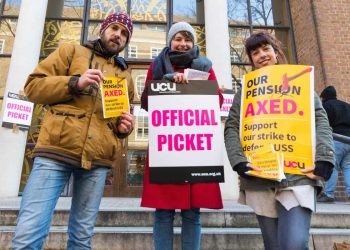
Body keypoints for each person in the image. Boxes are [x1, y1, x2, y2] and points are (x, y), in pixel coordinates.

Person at [12, 13, 135, 249]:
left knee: (81, 240)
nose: (118, 35)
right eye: (115, 29)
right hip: (54, 152)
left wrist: (124, 129)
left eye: (125, 34)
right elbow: (33, 87)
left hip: (97, 161)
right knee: (29, 236)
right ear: (103, 29)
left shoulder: (125, 75)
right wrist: (74, 83)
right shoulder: (71, 51)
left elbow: (120, 120)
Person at [224, 31, 335, 250]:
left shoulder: (301, 83)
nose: (261, 55)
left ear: (276, 52)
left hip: (298, 176)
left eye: (266, 49)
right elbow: (232, 127)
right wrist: (239, 161)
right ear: (251, 60)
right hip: (260, 177)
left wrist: (325, 158)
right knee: (273, 246)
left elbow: (320, 120)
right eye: (255, 52)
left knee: (293, 244)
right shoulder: (245, 92)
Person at [140, 22, 223, 250]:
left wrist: (194, 84)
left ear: (194, 43)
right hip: (166, 151)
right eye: (178, 38)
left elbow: (216, 102)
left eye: (188, 39)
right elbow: (146, 102)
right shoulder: (156, 66)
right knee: (163, 213)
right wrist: (165, 83)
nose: (183, 43)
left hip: (193, 152)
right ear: (170, 41)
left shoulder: (205, 67)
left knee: (192, 213)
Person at [317, 86, 350, 202]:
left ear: (324, 97)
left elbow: (324, 124)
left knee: (333, 166)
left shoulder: (326, 106)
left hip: (336, 139)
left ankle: (328, 194)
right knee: (348, 167)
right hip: (349, 140)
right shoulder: (347, 105)